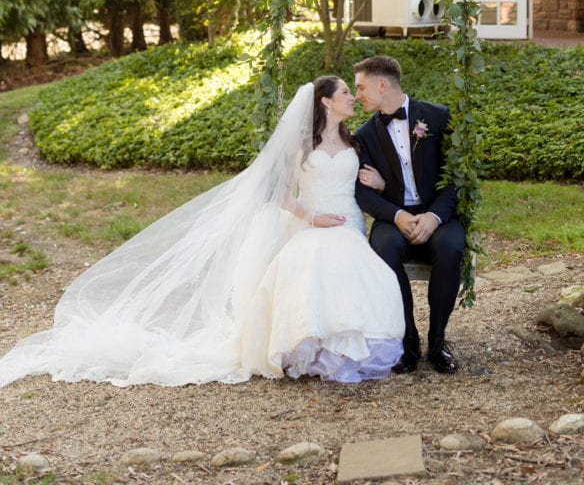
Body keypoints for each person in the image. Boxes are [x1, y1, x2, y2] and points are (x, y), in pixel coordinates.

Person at [0, 78, 404, 387]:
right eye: (346, 92)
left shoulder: (355, 140)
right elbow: (281, 194)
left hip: (348, 221)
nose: (353, 97)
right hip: (312, 221)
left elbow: (364, 183)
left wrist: (381, 188)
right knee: (313, 263)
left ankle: (352, 346)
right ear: (325, 101)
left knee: (360, 273)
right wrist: (311, 218)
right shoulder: (302, 144)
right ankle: (312, 350)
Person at [353, 55, 465, 375]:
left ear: (382, 84)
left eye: (361, 87)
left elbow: (459, 175)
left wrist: (434, 217)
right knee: (383, 248)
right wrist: (398, 214)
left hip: (438, 214)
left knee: (451, 247)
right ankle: (408, 340)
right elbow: (362, 191)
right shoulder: (363, 135)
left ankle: (438, 341)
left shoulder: (438, 117)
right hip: (393, 218)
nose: (358, 94)